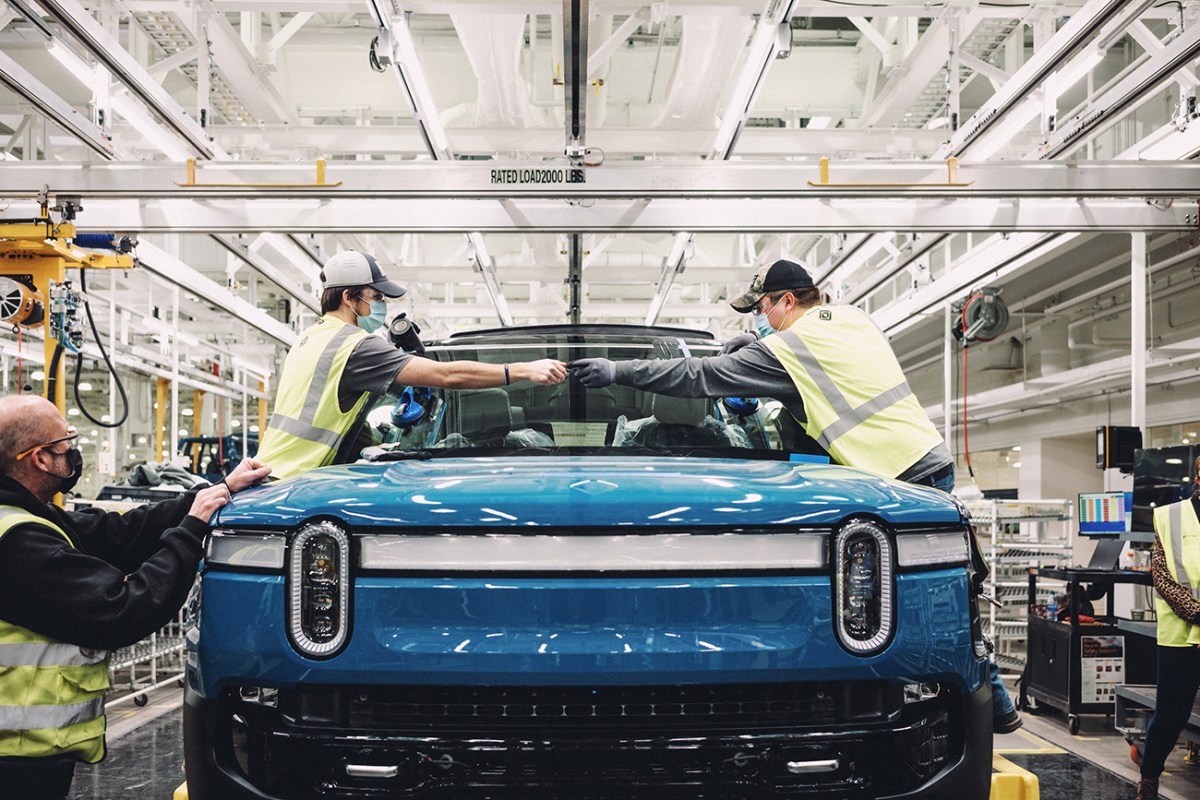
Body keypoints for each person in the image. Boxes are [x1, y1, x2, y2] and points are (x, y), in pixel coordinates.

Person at [569, 257, 1021, 734]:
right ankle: (999, 711)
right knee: (950, 602)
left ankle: (972, 710)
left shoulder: (792, 347)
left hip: (896, 485)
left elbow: (699, 376)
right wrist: (765, 342)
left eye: (761, 309)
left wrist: (619, 370)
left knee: (922, 614)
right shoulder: (852, 319)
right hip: (926, 464)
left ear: (786, 300)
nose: (757, 319)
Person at [0, 394, 271, 799]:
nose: (73, 451)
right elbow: (121, 608)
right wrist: (192, 532)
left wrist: (217, 492)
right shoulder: (17, 540)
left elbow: (119, 534)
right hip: (13, 759)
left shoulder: (29, 514)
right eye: (66, 443)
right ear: (39, 459)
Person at [256, 250, 568, 480]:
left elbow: (331, 416)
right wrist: (523, 370)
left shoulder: (308, 339)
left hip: (271, 472)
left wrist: (385, 444)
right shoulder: (355, 346)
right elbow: (446, 375)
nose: (381, 305)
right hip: (294, 479)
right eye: (375, 297)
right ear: (350, 297)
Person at [1132, 457, 1200, 800]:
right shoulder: (1171, 516)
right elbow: (1162, 575)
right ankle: (1149, 777)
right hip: (1181, 637)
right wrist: (1196, 612)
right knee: (1172, 715)